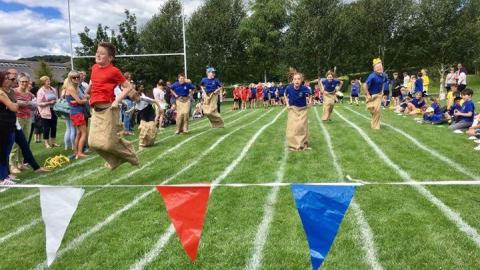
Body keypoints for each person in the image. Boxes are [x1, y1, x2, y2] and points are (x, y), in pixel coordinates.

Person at [86, 42, 139, 170]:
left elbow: (128, 87)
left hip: (109, 109)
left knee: (108, 144)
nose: (98, 55)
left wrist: (117, 100)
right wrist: (88, 93)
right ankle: (114, 161)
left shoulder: (114, 71)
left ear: (110, 58)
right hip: (95, 110)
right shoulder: (94, 68)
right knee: (92, 143)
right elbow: (94, 82)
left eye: (102, 53)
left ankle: (131, 154)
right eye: (97, 52)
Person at [9, 74, 35, 173]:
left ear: (29, 82)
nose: (24, 83)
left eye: (26, 81)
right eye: (22, 81)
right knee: (15, 143)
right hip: (17, 119)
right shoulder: (13, 92)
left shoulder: (29, 94)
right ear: (18, 82)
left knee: (24, 142)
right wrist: (22, 103)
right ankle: (12, 165)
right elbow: (12, 103)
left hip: (28, 118)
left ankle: (20, 163)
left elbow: (33, 105)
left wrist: (32, 104)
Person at [64, 71, 89, 159]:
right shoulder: (71, 88)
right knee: (84, 133)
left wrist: (80, 100)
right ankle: (79, 152)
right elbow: (79, 101)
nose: (77, 79)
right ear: (70, 79)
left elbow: (79, 99)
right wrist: (84, 101)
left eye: (78, 77)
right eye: (74, 77)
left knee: (79, 133)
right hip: (77, 113)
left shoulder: (75, 87)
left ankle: (76, 152)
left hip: (77, 112)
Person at [0, 71, 19, 185]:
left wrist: (15, 104)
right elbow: (13, 107)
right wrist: (16, 104)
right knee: (2, 152)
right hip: (2, 125)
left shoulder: (8, 92)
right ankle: (2, 178)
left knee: (6, 151)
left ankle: (5, 175)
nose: (9, 79)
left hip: (9, 124)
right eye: (7, 78)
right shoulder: (1, 93)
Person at [285, 68, 310, 151]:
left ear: (301, 80)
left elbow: (310, 95)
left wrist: (309, 102)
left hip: (302, 109)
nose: (297, 80)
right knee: (293, 127)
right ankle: (293, 144)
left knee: (301, 126)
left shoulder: (304, 88)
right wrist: (287, 104)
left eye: (299, 79)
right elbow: (285, 94)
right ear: (292, 80)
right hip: (293, 109)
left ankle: (302, 143)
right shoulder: (289, 88)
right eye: (295, 79)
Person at [364, 58, 388, 129]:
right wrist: (368, 95)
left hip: (378, 95)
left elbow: (384, 82)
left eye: (380, 67)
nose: (379, 68)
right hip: (371, 96)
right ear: (374, 68)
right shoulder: (372, 76)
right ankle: (374, 122)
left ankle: (375, 126)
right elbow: (365, 85)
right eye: (377, 67)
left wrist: (382, 91)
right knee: (372, 110)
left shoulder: (383, 75)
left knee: (377, 111)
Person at [37, 76, 59, 148]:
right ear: (43, 83)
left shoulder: (53, 89)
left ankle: (53, 142)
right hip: (45, 112)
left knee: (54, 127)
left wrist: (56, 101)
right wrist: (48, 103)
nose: (49, 82)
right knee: (46, 128)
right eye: (47, 81)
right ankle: (46, 143)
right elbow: (39, 103)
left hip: (54, 110)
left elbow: (56, 98)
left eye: (49, 80)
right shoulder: (40, 91)